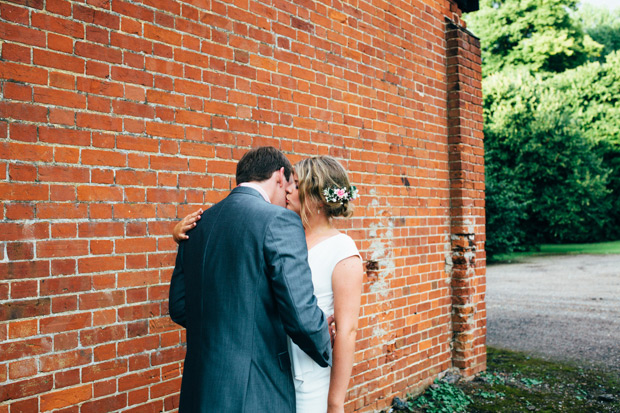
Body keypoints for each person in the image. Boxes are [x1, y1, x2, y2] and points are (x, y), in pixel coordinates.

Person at [174, 155, 364, 413]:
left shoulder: (342, 250)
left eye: (295, 185)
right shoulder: (279, 232)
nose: (287, 189)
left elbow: (347, 332)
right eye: (289, 182)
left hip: (308, 374)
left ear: (317, 196)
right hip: (266, 375)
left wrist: (336, 403)